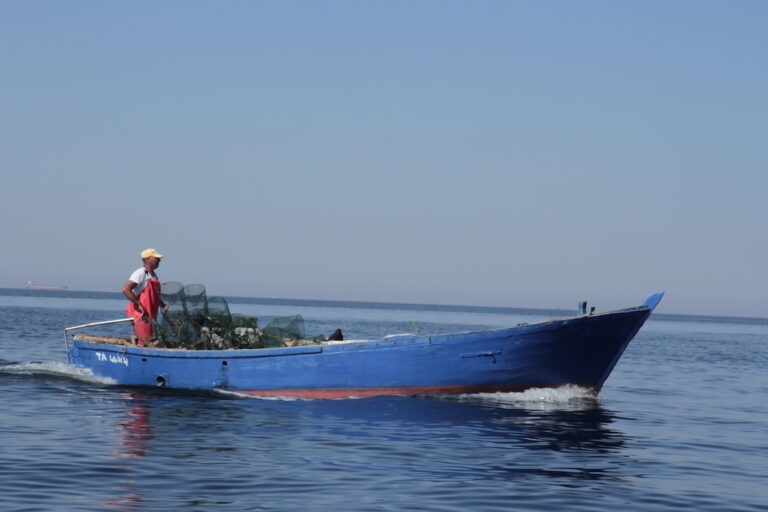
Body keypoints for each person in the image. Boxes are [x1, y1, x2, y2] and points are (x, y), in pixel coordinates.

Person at [122, 248, 169, 345]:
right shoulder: (141, 273)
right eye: (157, 258)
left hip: (151, 316)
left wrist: (162, 305)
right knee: (143, 341)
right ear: (149, 259)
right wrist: (138, 304)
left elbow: (155, 296)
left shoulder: (154, 276)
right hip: (142, 315)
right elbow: (126, 289)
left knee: (149, 339)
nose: (159, 260)